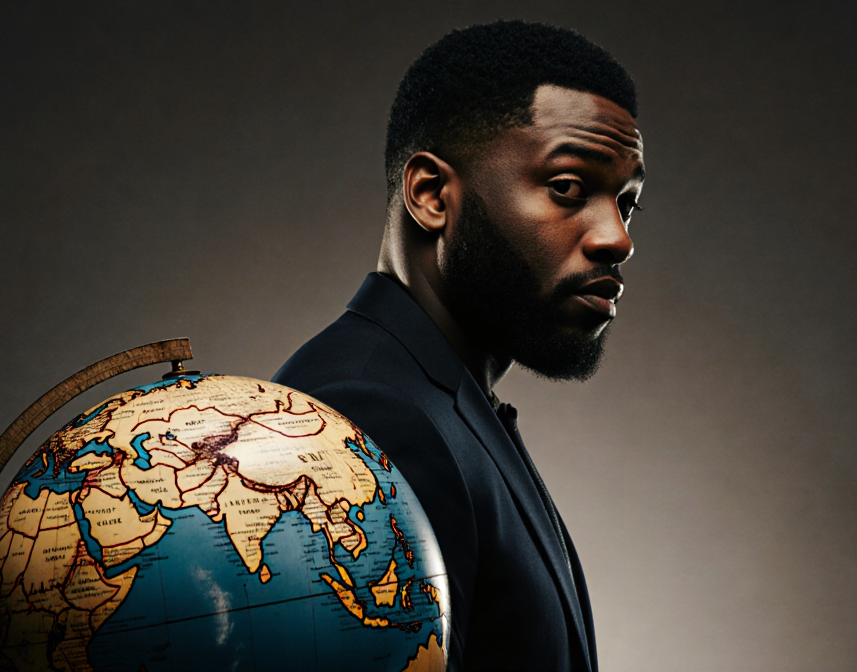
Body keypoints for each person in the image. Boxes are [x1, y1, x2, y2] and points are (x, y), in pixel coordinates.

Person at [273, 20, 644, 672]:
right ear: (431, 196)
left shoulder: (442, 399)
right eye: (568, 188)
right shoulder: (368, 415)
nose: (617, 237)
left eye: (627, 203)